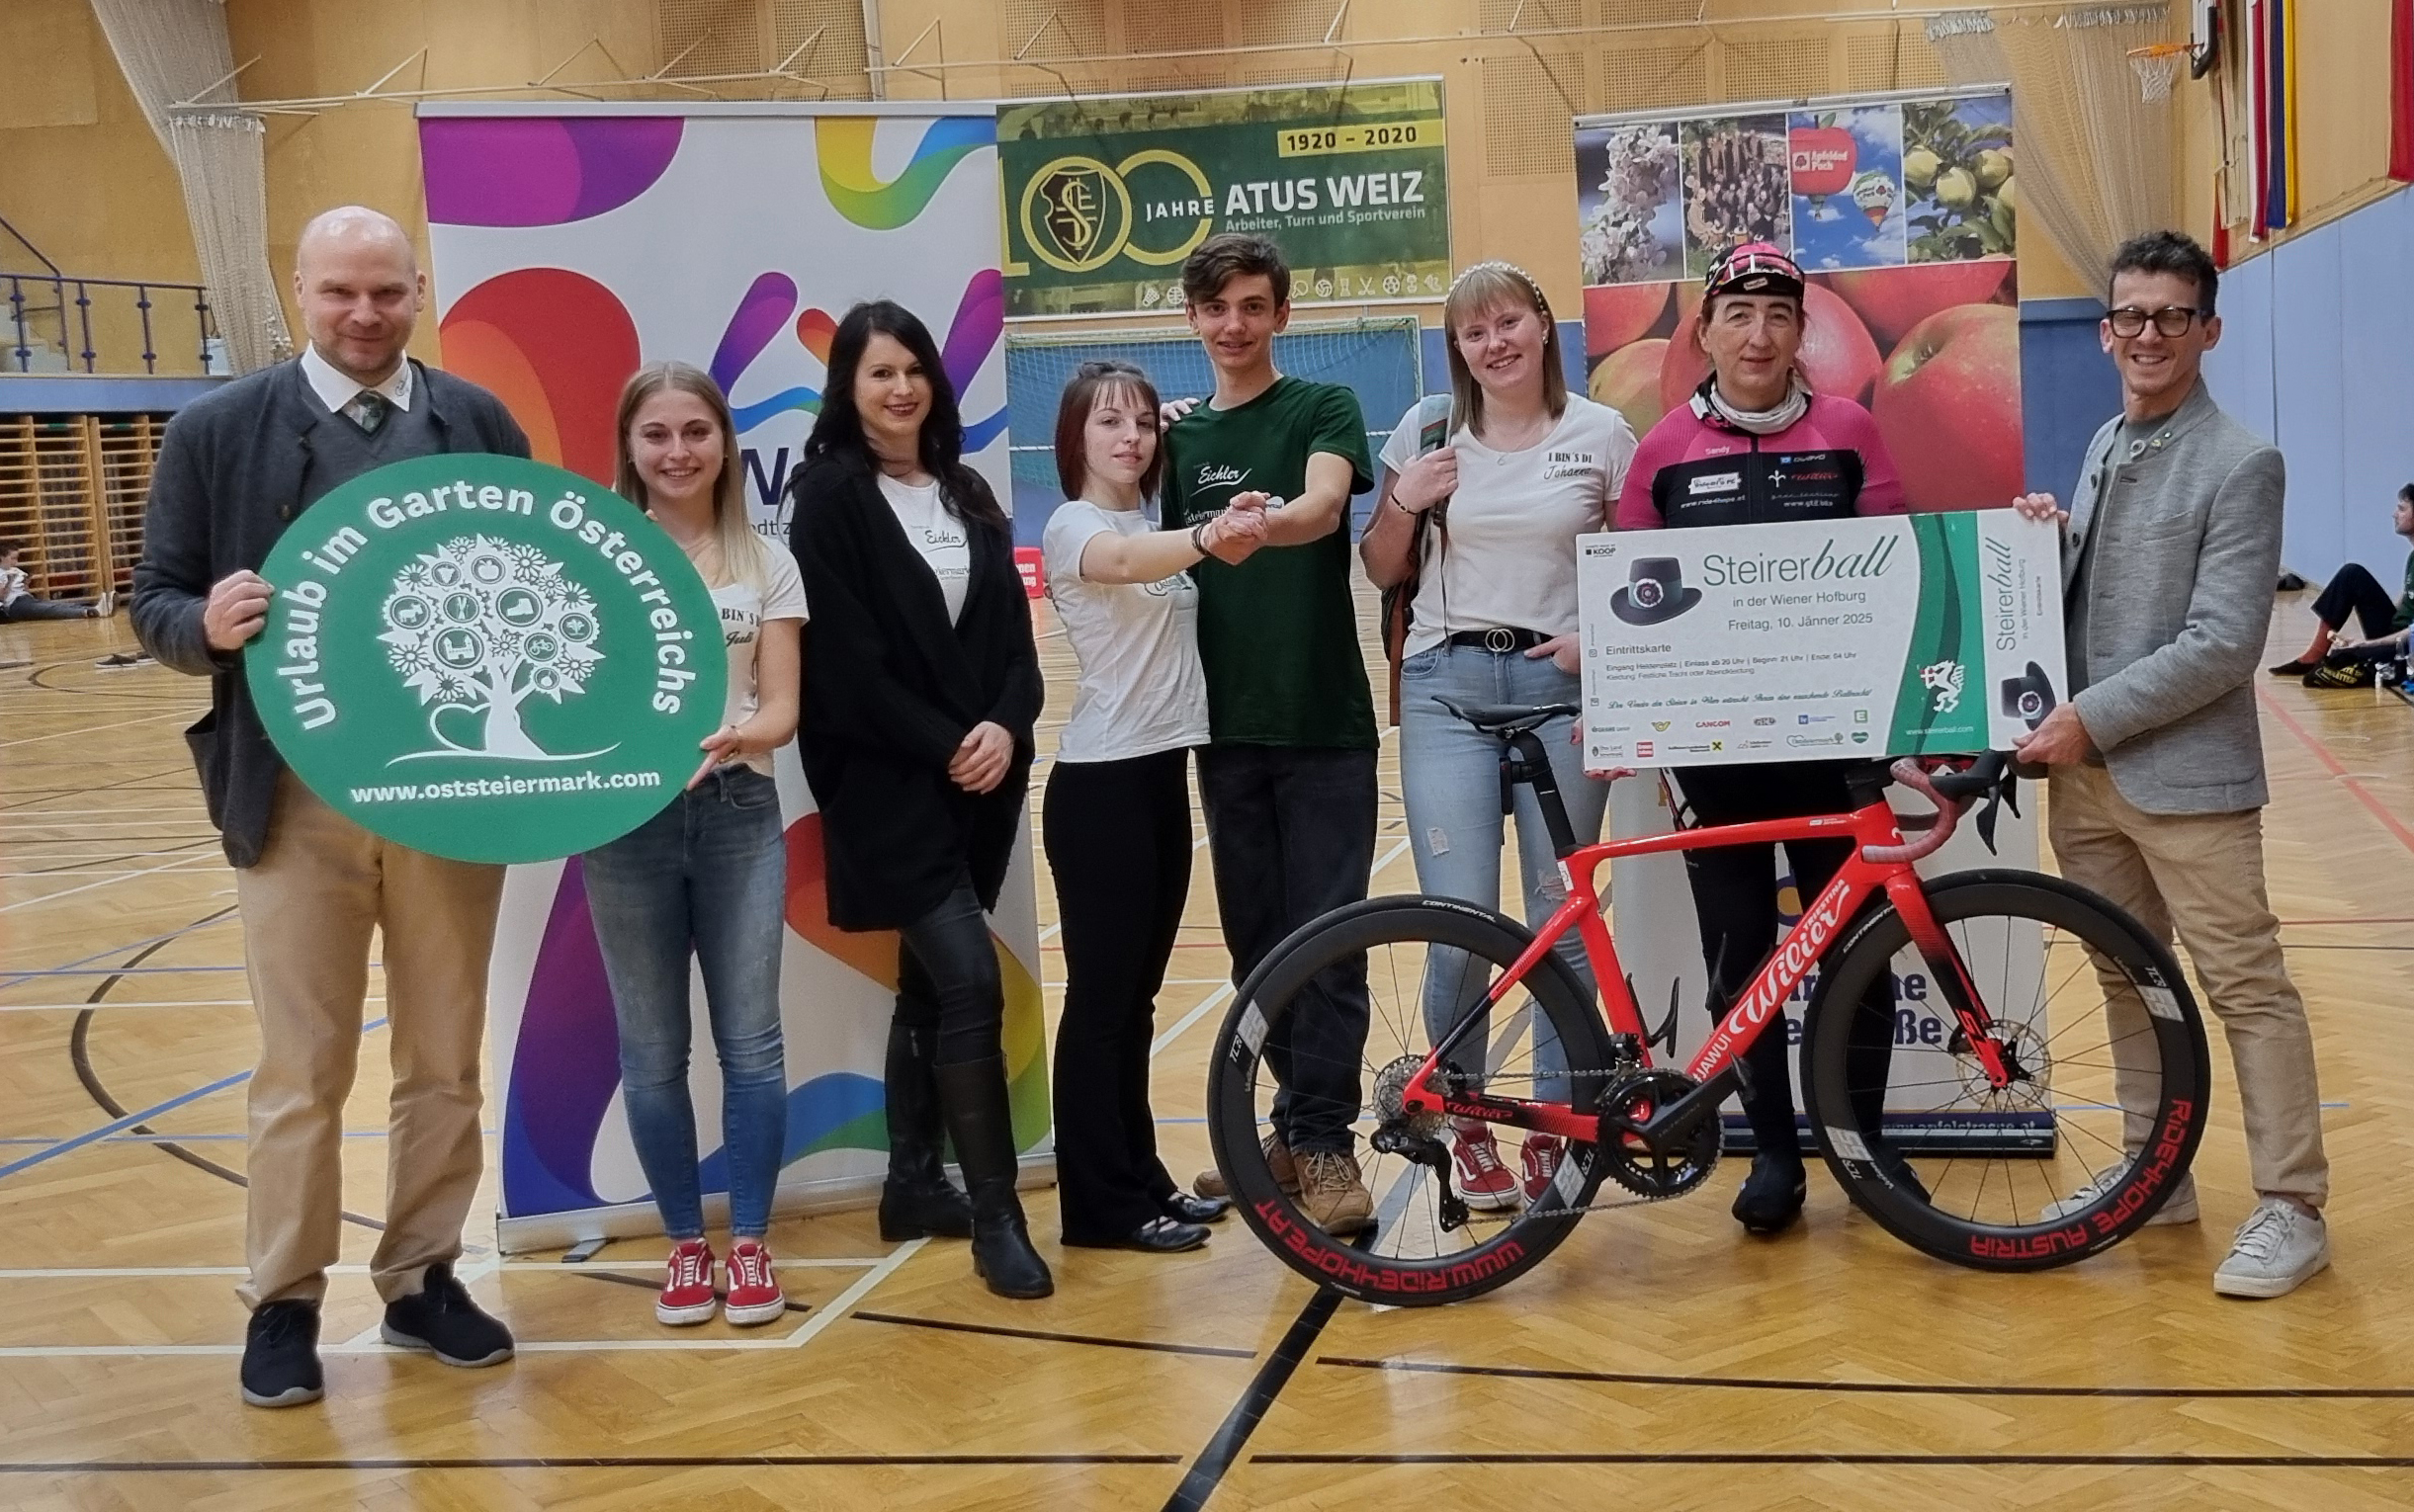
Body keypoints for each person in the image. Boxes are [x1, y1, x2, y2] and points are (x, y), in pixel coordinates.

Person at [129, 206, 526, 1408]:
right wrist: (204, 627)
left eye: (387, 292)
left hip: (450, 796)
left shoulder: (478, 422)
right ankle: (285, 1299)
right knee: (302, 1065)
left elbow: (537, 573)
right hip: (292, 796)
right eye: (341, 292)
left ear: (420, 293)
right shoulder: (215, 431)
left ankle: (421, 1277)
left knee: (445, 1057)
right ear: (299, 292)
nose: (365, 314)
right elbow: (154, 600)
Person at [2012, 229, 2331, 1300]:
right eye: (2131, 316)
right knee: (2126, 974)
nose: (2148, 334)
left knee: (2246, 986)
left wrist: (2088, 721)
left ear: (2208, 330)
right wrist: (2047, 544)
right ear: (2105, 331)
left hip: (2185, 780)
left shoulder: (2241, 461)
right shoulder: (2108, 441)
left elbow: (2223, 642)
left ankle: (2293, 1205)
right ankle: (2157, 1178)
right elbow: (2106, 596)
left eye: (2171, 316)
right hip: (2087, 780)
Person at [1616, 240, 1909, 1236]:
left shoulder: (1850, 431)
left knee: (1860, 954)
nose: (1758, 333)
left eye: (1779, 314)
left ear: (1801, 332)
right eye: (1738, 314)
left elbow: (1897, 574)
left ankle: (1868, 1152)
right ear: (1704, 332)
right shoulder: (1662, 451)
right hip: (1716, 760)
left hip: (1837, 754)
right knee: (1741, 965)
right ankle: (1776, 1154)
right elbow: (1631, 604)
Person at [784, 300, 1052, 1300]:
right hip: (888, 785)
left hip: (984, 777)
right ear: (848, 389)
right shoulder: (828, 497)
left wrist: (1005, 727)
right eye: (879, 372)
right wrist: (951, 745)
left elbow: (1015, 645)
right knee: (972, 986)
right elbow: (846, 671)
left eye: (914, 370)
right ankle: (997, 1219)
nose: (901, 388)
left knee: (931, 990)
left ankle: (910, 1183)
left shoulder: (967, 491)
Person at [1360, 261, 1636, 1210]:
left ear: (1544, 326)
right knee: (1461, 925)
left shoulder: (1602, 433)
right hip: (1447, 686)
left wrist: (1601, 649)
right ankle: (1465, 1119)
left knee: (1561, 921)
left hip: (1561, 687)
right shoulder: (1428, 429)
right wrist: (1407, 498)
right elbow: (1380, 567)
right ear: (1458, 348)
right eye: (1474, 333)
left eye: (1509, 322)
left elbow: (1639, 572)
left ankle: (1559, 1128)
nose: (1494, 344)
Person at [1163, 234, 1380, 1235]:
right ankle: (1293, 1128)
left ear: (1281, 314)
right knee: (1259, 947)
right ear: (1192, 318)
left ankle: (1329, 1144)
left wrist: (1253, 524)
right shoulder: (1176, 440)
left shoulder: (1321, 407)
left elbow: (1325, 507)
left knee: (1330, 945)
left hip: (1322, 724)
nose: (1234, 324)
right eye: (1216, 308)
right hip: (1223, 730)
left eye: (1253, 306)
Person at [582, 363, 800, 1327]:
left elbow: (782, 708)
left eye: (696, 432)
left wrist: (736, 740)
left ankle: (748, 1244)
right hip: (623, 825)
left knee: (752, 1044)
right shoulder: (594, 557)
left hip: (739, 812)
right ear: (629, 448)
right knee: (651, 1049)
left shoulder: (768, 560)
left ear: (725, 442)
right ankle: (683, 1246)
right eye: (657, 434)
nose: (678, 452)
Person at [1041, 361, 1264, 1253]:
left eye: (1140, 422)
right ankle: (1098, 1208)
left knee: (1135, 1002)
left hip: (1160, 775)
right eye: (1108, 423)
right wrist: (1211, 533)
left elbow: (1153, 544)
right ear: (1074, 438)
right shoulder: (1077, 525)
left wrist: (1174, 428)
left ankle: (1141, 1180)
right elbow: (1129, 564)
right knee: (1102, 1005)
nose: (1129, 437)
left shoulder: (1148, 516)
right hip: (1101, 787)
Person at [2267, 483, 2414, 687]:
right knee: (2352, 574)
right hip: (2396, 634)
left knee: (2340, 659)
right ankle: (2315, 654)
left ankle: (2374, 662)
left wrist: (2367, 644)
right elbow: (2406, 599)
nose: (2394, 514)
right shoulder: (2412, 557)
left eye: (2402, 509)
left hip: (2408, 646)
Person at [0, 542, 113, 621]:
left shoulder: (16, 570)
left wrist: (26, 583)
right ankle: (88, 612)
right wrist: (9, 582)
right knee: (49, 610)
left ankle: (95, 609)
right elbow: (1, 598)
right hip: (13, 606)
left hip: (26, 599)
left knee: (56, 604)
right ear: (2, 557)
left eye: (16, 558)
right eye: (12, 558)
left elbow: (24, 591)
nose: (16, 562)